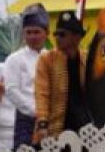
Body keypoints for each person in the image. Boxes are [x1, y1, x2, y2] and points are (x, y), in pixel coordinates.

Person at [33, 11, 90, 142]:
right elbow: (41, 93)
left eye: (62, 34)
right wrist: (42, 122)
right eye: (56, 34)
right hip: (56, 127)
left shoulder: (87, 59)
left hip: (84, 126)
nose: (57, 38)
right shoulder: (47, 59)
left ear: (77, 37)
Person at [3, 3, 48, 148]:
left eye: (36, 32)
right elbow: (12, 91)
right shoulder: (15, 59)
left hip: (51, 120)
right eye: (28, 32)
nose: (32, 36)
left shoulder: (52, 57)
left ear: (46, 33)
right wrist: (37, 112)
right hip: (27, 120)